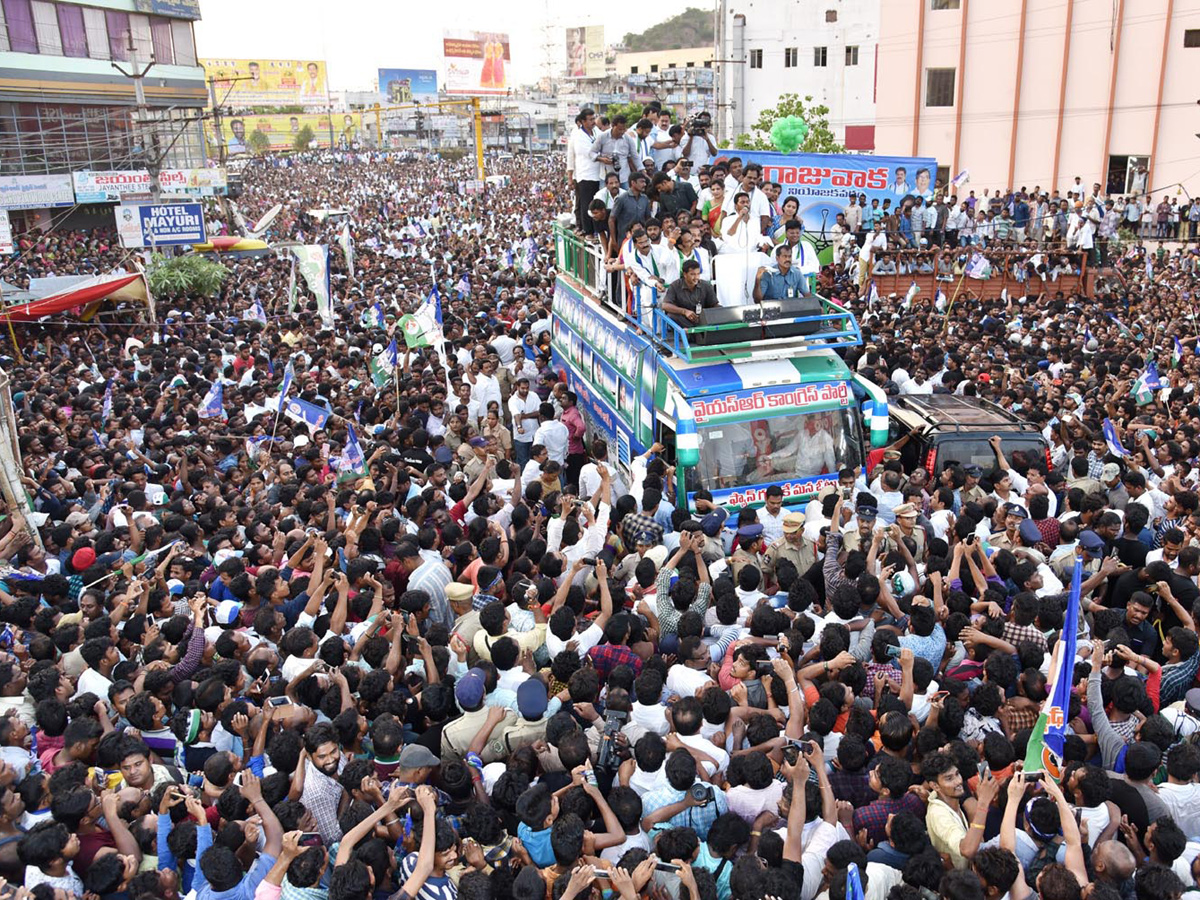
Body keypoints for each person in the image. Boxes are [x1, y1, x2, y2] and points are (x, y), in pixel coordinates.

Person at [661, 259, 718, 330]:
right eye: (693, 274)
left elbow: (714, 304)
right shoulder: (675, 286)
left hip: (702, 320)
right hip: (684, 321)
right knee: (671, 316)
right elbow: (665, 305)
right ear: (685, 274)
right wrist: (684, 311)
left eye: (698, 274)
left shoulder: (706, 286)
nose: (696, 277)